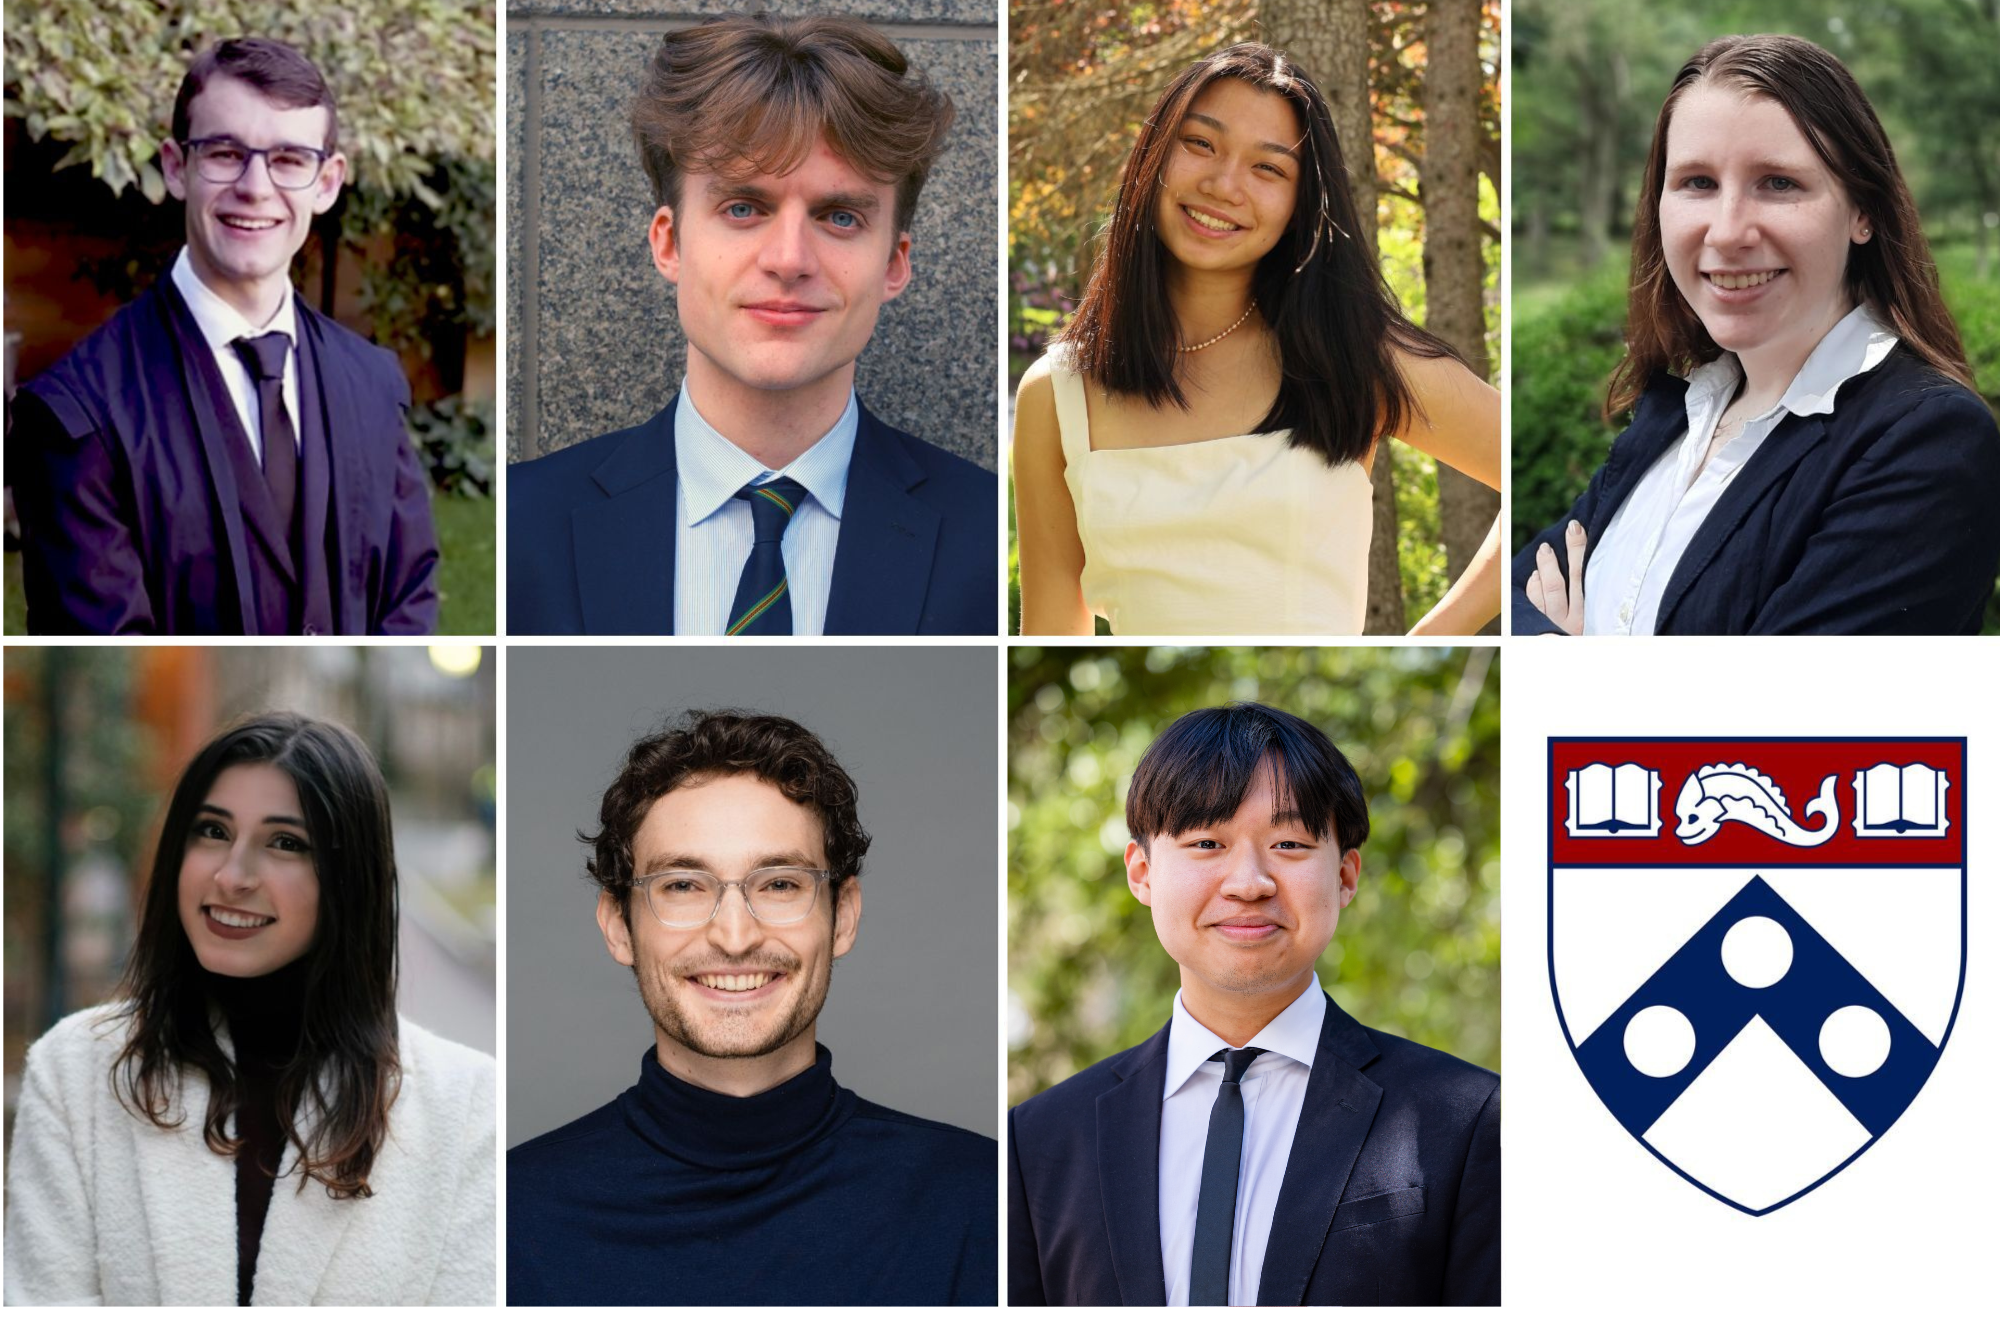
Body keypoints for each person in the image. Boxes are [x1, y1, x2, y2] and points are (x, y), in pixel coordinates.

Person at [507, 14, 995, 636]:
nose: (789, 259)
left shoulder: (983, 534)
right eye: (743, 207)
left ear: (894, 264)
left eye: (840, 217)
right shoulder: (521, 526)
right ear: (669, 244)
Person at [1009, 703, 1499, 1306]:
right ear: (1141, 873)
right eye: (1207, 842)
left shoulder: (1470, 1120)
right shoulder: (1040, 1142)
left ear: (1345, 876)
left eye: (1289, 843)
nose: (1249, 882)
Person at [1514, 34, 2000, 635]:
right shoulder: (1675, 416)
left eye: (1777, 183)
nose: (1727, 231)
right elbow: (1523, 595)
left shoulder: (1926, 442)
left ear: (1863, 211)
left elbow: (1778, 727)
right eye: (1697, 182)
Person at [2, 714, 495, 1306]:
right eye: (212, 831)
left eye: (285, 843)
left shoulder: (466, 1106)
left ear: (347, 879)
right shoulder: (74, 1070)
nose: (231, 875)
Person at [507, 710, 996, 1304]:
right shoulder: (512, 1216)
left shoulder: (979, 1201)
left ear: (843, 916)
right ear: (617, 926)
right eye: (684, 886)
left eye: (780, 883)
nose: (735, 937)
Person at [1012, 44, 1502, 636]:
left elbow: (1536, 467)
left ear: (1301, 203)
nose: (1223, 185)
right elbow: (1053, 634)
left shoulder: (1354, 356)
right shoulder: (1057, 393)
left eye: (1268, 168)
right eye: (1200, 144)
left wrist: (1429, 641)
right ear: (1153, 157)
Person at [6, 38, 440, 635]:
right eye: (225, 152)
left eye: (289, 159)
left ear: (328, 182)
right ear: (176, 167)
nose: (256, 188)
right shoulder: (76, 414)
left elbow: (410, 593)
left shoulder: (371, 382)